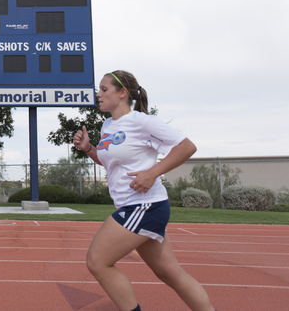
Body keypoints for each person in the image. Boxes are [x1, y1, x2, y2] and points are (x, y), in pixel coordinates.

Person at [73, 71, 215, 311]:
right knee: (170, 273)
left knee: (97, 261)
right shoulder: (108, 125)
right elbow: (111, 163)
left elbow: (187, 147)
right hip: (135, 206)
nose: (98, 94)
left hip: (145, 206)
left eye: (104, 89)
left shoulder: (141, 122)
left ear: (122, 93)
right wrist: (89, 149)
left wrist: (153, 172)